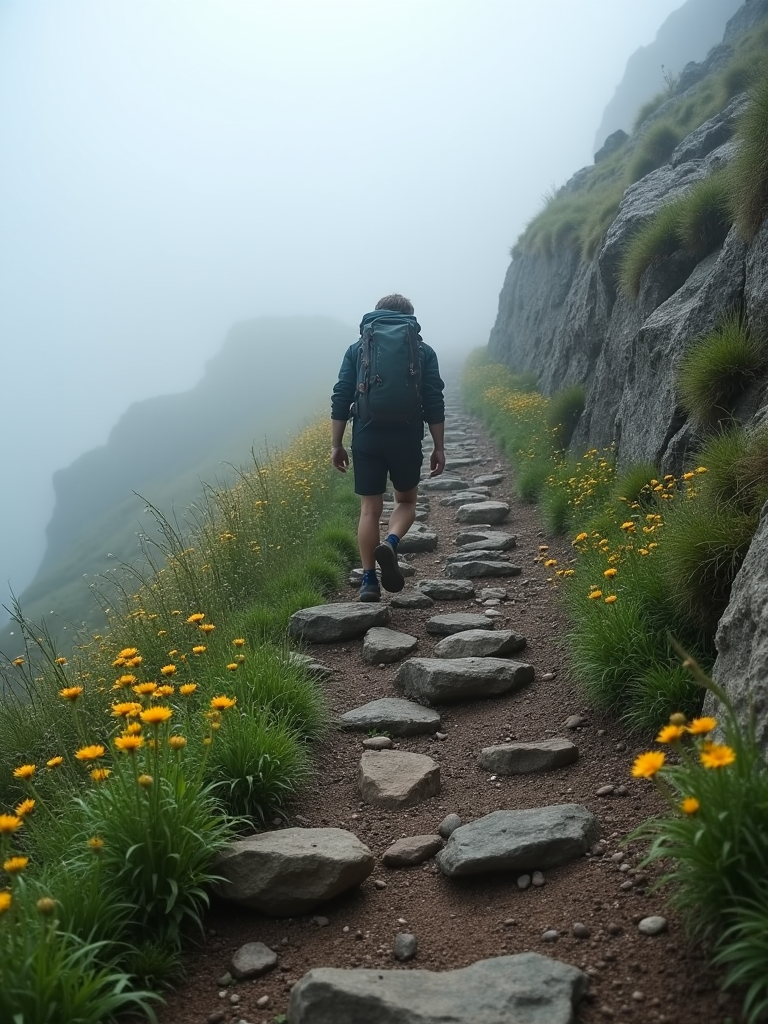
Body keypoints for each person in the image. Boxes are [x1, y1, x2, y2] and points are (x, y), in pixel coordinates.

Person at [331, 294, 445, 602]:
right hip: (406, 436)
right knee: (406, 501)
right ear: (410, 320)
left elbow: (341, 396)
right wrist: (439, 447)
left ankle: (369, 582)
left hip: (367, 436)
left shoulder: (357, 350)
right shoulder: (423, 351)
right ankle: (391, 543)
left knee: (369, 509)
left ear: (376, 315)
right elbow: (434, 400)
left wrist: (336, 444)